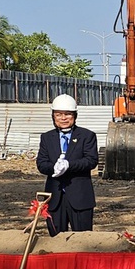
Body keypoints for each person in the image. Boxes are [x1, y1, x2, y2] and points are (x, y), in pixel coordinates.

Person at [35, 94, 99, 234]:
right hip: (55, 199)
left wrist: (69, 165)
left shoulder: (87, 136)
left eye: (67, 114)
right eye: (58, 115)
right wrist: (54, 167)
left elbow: (91, 160)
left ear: (74, 115)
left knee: (82, 239)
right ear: (53, 116)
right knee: (56, 240)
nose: (63, 118)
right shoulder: (46, 137)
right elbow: (41, 163)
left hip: (80, 198)